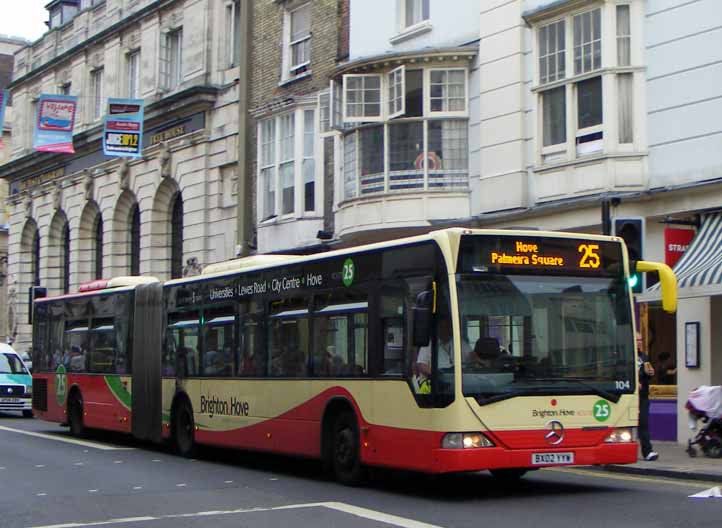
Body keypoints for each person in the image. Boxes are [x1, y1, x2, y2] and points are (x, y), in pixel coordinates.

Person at [415, 318, 471, 393]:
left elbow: (472, 357)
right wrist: (438, 376)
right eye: (442, 327)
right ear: (437, 329)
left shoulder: (461, 343)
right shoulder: (429, 344)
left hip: (457, 383)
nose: (445, 330)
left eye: (447, 327)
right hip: (433, 382)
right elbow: (421, 365)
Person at [637, 332, 658, 461]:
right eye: (636, 340)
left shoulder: (644, 357)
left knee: (643, 423)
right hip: (627, 395)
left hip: (643, 396)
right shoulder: (625, 356)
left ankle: (647, 451)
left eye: (640, 340)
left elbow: (648, 375)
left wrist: (650, 373)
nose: (639, 342)